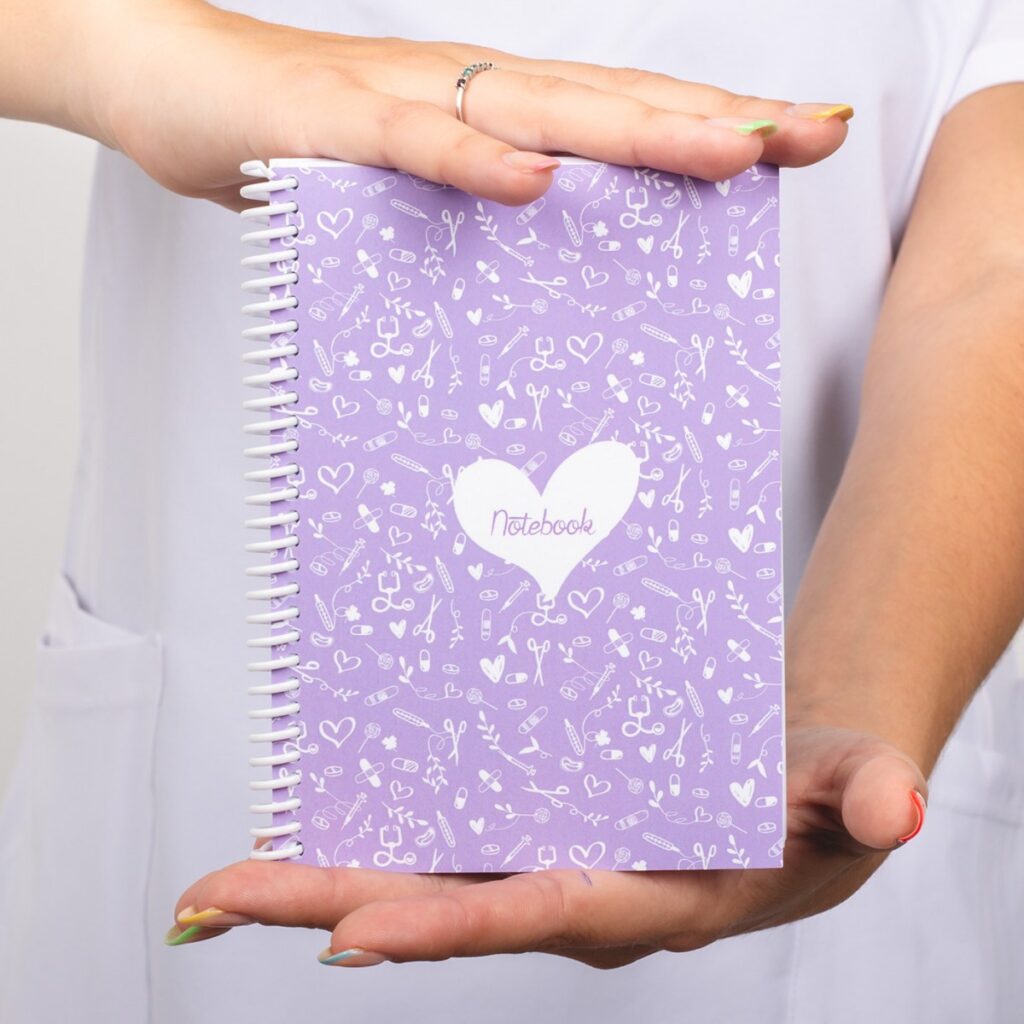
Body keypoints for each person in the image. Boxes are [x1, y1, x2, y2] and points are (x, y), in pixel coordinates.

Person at [1, 0, 1022, 1020]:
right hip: (216, 644)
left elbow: (995, 269)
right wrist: (121, 46)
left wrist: (863, 684)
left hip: (831, 682)